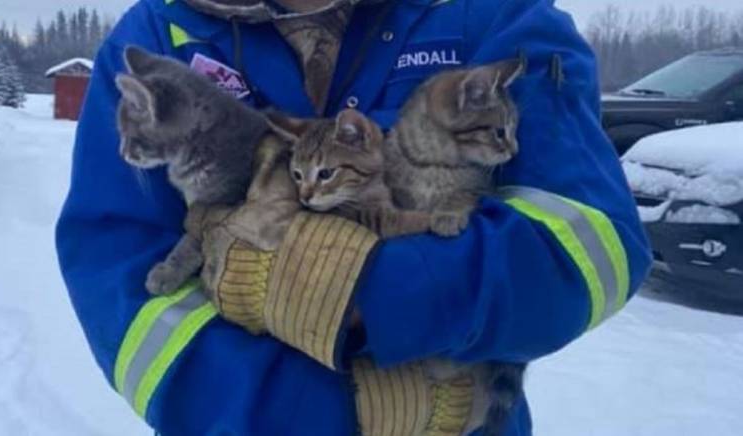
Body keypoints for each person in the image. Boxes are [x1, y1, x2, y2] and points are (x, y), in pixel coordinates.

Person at [55, 0, 653, 434]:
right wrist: (302, 416)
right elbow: (118, 270)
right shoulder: (161, 31)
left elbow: (590, 244)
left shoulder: (494, 17)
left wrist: (368, 290)